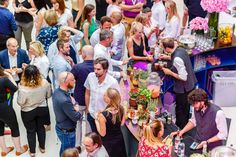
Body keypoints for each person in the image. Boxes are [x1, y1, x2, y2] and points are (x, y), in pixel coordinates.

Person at [159, 38, 197, 129]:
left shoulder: (176, 59)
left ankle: (180, 128)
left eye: (164, 49)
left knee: (180, 108)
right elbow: (178, 58)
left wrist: (169, 72)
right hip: (191, 83)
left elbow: (184, 77)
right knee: (186, 107)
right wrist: (167, 57)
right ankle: (186, 123)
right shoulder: (181, 49)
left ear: (167, 48)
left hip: (184, 88)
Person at [17, 65, 52, 157]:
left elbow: (20, 102)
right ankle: (42, 148)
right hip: (42, 109)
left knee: (30, 131)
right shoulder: (45, 82)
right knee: (41, 128)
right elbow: (48, 95)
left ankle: (32, 152)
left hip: (28, 112)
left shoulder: (22, 87)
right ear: (38, 73)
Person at [84, 58, 120, 132]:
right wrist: (88, 109)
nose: (95, 71)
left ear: (105, 70)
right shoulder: (90, 76)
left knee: (103, 139)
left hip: (104, 118)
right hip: (92, 114)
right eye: (94, 69)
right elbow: (87, 93)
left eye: (98, 69)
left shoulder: (113, 82)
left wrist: (106, 114)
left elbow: (117, 100)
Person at [0, 65, 28, 156]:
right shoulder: (4, 80)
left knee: (0, 128)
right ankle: (19, 149)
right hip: (4, 107)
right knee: (14, 127)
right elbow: (15, 88)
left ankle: (4, 150)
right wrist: (10, 76)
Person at [52, 71, 82, 156]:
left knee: (63, 150)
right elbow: (76, 117)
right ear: (66, 82)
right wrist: (77, 108)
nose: (75, 81)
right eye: (72, 80)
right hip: (67, 132)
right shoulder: (64, 100)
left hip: (60, 127)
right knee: (69, 153)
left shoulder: (57, 91)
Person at [71, 45, 94, 147]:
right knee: (89, 123)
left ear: (83, 55)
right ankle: (88, 144)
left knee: (78, 123)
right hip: (92, 100)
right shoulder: (97, 67)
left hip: (79, 99)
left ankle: (77, 145)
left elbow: (71, 81)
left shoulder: (77, 67)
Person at [95, 88, 127, 157]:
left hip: (108, 143)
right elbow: (122, 124)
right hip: (119, 140)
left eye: (105, 95)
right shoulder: (122, 108)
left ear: (109, 99)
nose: (103, 96)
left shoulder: (103, 115)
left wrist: (96, 121)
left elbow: (103, 134)